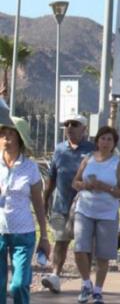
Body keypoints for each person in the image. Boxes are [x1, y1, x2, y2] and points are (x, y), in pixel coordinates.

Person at [71, 126, 120, 304]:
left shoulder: (117, 163)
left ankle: (97, 290)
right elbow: (75, 182)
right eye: (103, 138)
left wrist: (105, 187)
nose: (105, 142)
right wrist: (85, 185)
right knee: (80, 248)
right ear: (97, 141)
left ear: (114, 144)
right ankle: (86, 283)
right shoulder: (88, 159)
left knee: (103, 255)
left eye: (109, 140)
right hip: (85, 209)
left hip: (107, 212)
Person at [0, 113, 51, 304]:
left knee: (19, 284)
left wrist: (44, 235)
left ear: (20, 139)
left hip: (23, 232)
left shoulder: (30, 168)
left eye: (11, 134)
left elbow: (38, 204)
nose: (6, 138)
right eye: (3, 133)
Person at [41, 113, 94, 294]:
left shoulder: (92, 150)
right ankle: (55, 276)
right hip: (61, 205)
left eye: (74, 124)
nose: (69, 127)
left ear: (84, 129)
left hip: (85, 207)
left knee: (83, 246)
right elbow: (51, 178)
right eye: (67, 124)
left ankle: (86, 282)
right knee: (60, 242)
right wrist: (45, 200)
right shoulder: (59, 149)